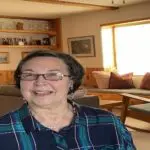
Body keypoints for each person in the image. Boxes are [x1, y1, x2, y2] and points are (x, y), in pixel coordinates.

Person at [0, 50, 136, 150]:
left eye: (53, 74)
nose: (40, 82)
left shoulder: (108, 122)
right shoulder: (3, 130)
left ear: (71, 82)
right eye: (29, 75)